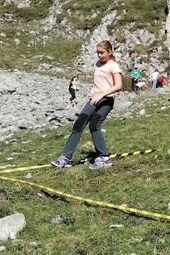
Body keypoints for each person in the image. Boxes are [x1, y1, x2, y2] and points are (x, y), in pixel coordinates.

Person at [52, 40, 123, 169]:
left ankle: (104, 158)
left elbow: (118, 86)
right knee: (78, 124)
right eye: (98, 53)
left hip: (106, 100)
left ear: (109, 52)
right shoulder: (97, 64)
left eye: (102, 53)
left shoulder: (114, 66)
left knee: (94, 125)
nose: (99, 56)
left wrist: (102, 94)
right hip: (93, 99)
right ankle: (65, 158)